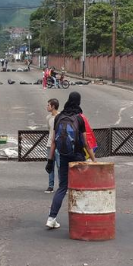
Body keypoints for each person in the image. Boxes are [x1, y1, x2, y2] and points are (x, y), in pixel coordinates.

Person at [44, 92, 97, 229]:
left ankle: (51, 218)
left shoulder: (59, 117)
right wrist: (93, 160)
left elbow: (54, 142)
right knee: (82, 187)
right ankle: (84, 217)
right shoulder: (79, 118)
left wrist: (50, 161)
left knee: (62, 187)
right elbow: (85, 143)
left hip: (63, 155)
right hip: (78, 157)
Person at [45, 98, 60, 193]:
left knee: (60, 166)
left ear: (53, 106)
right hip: (50, 144)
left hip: (59, 145)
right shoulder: (48, 117)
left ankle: (62, 185)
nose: (47, 107)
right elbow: (49, 130)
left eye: (48, 105)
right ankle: (50, 186)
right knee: (50, 165)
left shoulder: (61, 116)